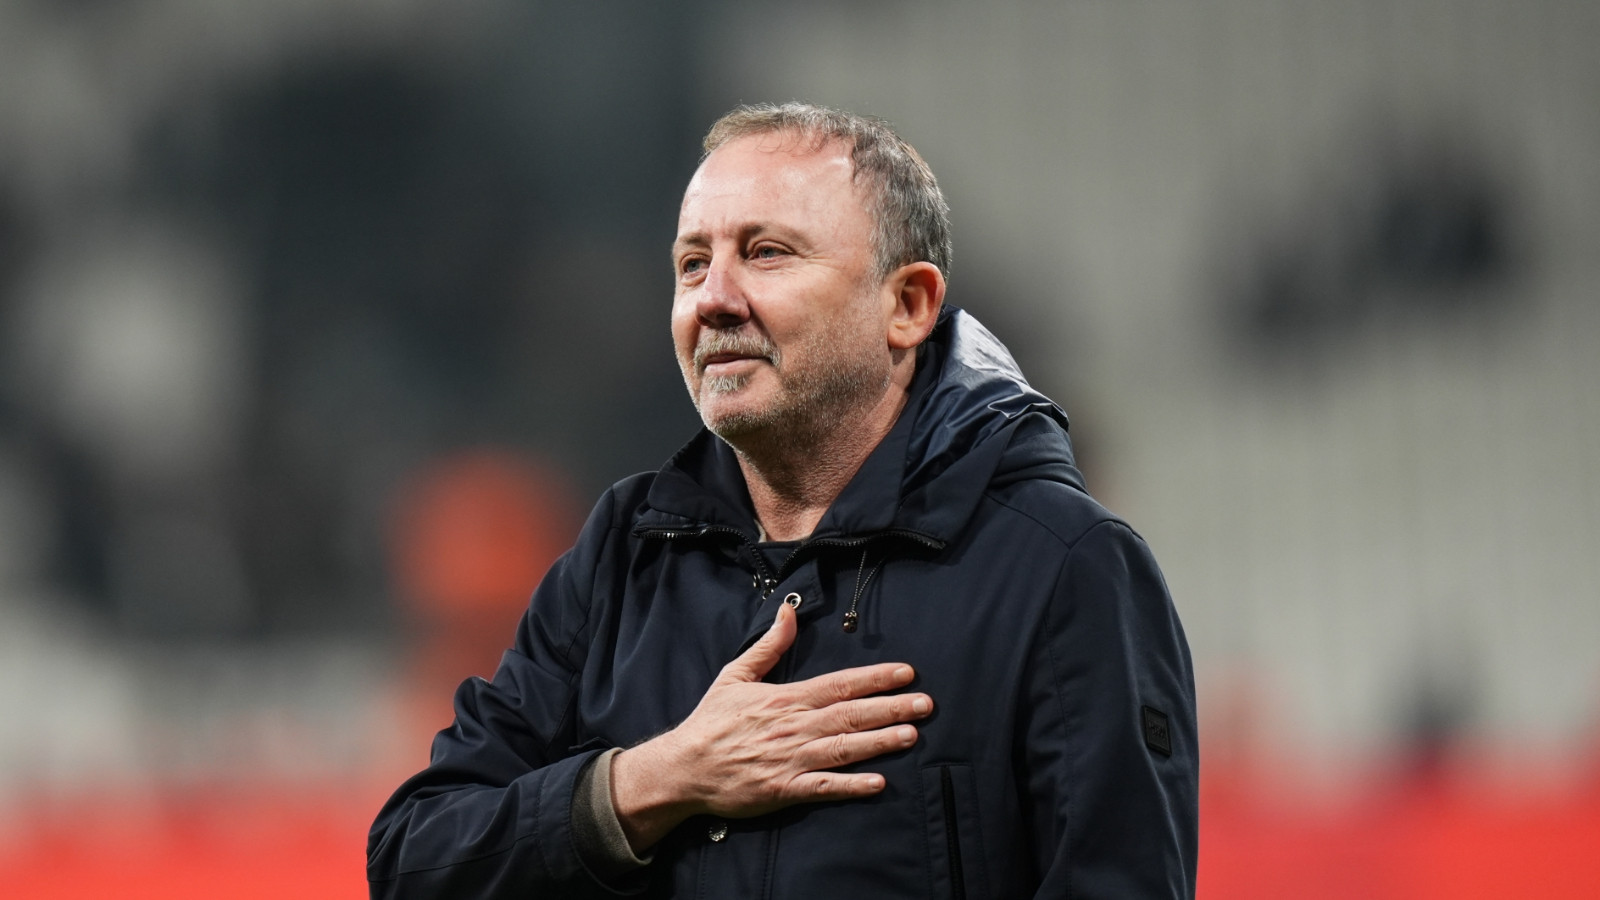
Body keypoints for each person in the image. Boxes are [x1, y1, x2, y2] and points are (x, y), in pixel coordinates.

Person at [367, 102, 1198, 899]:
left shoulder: (1061, 566)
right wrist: (657, 781)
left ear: (907, 305)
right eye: (693, 264)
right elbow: (413, 860)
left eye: (766, 253)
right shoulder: (624, 556)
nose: (713, 299)